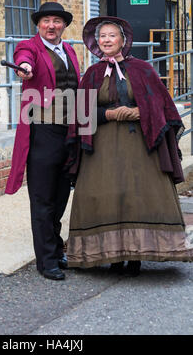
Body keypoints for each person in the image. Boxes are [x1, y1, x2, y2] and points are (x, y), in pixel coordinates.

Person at [66, 15, 193, 276]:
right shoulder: (92, 74)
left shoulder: (143, 70)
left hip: (140, 146)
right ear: (96, 42)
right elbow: (81, 113)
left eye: (112, 35)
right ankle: (113, 256)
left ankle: (136, 256)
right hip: (102, 146)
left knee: (138, 196)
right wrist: (110, 115)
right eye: (102, 36)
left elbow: (162, 106)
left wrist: (137, 113)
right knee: (106, 196)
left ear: (123, 41)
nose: (107, 40)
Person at [5, 2, 81, 280]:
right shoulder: (31, 47)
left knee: (61, 194)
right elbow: (24, 59)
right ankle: (46, 260)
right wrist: (23, 67)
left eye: (57, 21)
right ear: (39, 25)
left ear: (63, 25)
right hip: (43, 131)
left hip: (69, 130)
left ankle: (56, 247)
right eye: (46, 21)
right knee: (42, 197)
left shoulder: (70, 50)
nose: (51, 26)